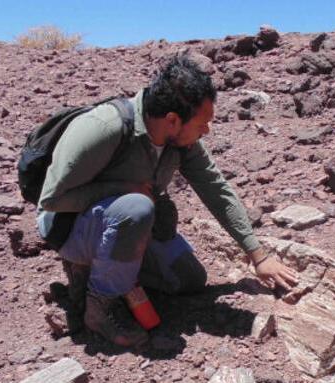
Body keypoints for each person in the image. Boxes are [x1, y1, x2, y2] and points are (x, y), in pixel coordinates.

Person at [36, 55, 299, 347]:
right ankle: (100, 304)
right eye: (203, 124)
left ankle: (117, 271)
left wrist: (257, 255)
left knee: (189, 279)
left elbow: (215, 189)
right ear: (173, 120)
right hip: (71, 227)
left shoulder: (180, 141)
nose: (207, 131)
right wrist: (125, 187)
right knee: (137, 207)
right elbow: (52, 199)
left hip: (124, 226)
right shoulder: (104, 128)